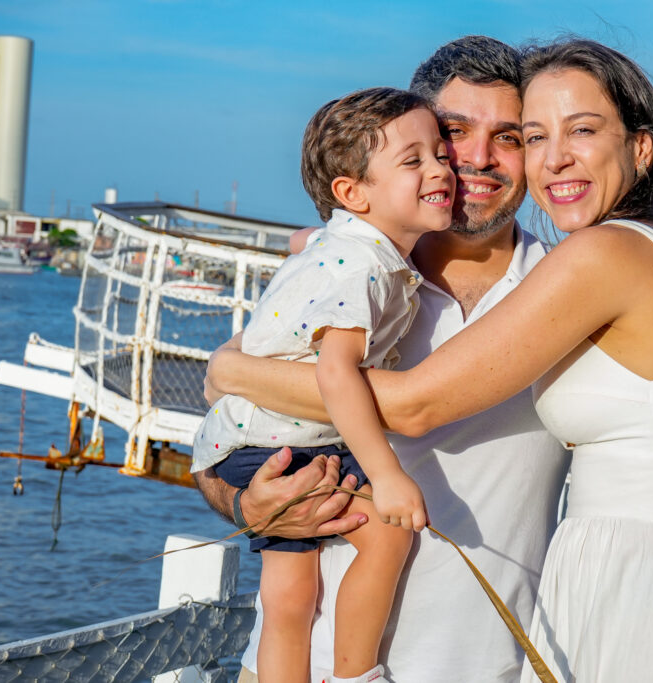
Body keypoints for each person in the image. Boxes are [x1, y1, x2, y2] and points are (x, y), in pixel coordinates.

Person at [198, 36, 653, 683]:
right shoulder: (339, 275)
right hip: (307, 666)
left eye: (511, 136)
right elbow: (223, 446)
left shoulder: (571, 278)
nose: (479, 158)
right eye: (454, 132)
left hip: (495, 666)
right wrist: (243, 505)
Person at [192, 87, 453, 683]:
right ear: (352, 193)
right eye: (413, 161)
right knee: (384, 543)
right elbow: (337, 371)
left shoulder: (350, 245)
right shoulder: (362, 267)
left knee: (289, 597)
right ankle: (357, 676)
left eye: (440, 152)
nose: (440, 168)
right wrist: (386, 475)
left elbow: (307, 242)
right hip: (280, 440)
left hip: (253, 435)